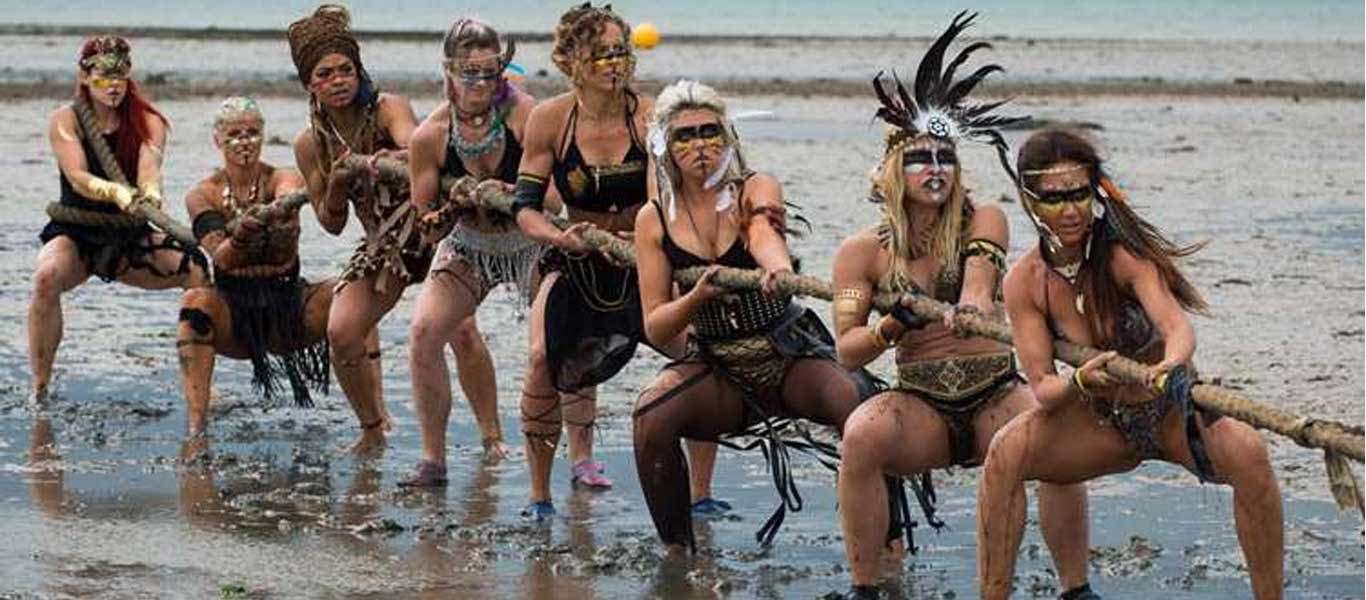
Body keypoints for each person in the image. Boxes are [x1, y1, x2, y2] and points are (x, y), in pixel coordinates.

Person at [829, 14, 1092, 599]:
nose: (936, 170)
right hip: (919, 404)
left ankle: (1076, 588)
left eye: (946, 158)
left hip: (996, 394)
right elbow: (847, 349)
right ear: (895, 170)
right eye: (921, 158)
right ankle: (864, 587)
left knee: (1062, 445)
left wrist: (970, 304)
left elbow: (980, 274)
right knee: (859, 437)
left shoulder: (986, 218)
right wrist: (892, 327)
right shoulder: (861, 254)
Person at [976, 128, 1284, 599]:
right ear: (1030, 200)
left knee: (1250, 456)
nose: (1071, 209)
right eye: (1055, 198)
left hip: (1168, 415)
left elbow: (1177, 328)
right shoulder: (1025, 281)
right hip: (1099, 422)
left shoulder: (1124, 256)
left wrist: (1171, 365)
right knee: (1004, 453)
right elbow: (1043, 387)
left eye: (1080, 193)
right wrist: (1080, 379)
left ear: (1095, 191)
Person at [631, 79, 878, 553]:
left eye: (710, 131)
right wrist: (696, 297)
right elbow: (657, 324)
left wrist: (778, 269)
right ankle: (679, 550)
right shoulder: (654, 218)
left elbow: (763, 230)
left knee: (859, 404)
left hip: (787, 353)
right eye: (685, 135)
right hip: (718, 365)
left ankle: (883, 544)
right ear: (665, 145)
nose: (700, 144)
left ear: (727, 137)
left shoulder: (753, 187)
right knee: (650, 417)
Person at [509, 3, 719, 521]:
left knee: (702, 351)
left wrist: (641, 236)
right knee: (541, 359)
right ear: (571, 61)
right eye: (600, 53)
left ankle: (701, 492)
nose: (614, 63)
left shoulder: (649, 117)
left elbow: (659, 195)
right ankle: (539, 496)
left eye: (620, 51)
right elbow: (524, 210)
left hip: (642, 264)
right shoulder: (550, 119)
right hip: (575, 262)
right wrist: (563, 236)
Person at [400, 17, 546, 486]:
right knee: (424, 331)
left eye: (490, 72)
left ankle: (569, 459)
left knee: (555, 344)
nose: (481, 83)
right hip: (470, 244)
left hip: (529, 242)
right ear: (449, 72)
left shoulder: (526, 116)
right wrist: (445, 211)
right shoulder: (430, 136)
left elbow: (557, 195)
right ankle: (433, 459)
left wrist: (519, 191)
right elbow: (424, 225)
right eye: (470, 73)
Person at [30, 35, 200, 401]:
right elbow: (77, 175)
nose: (113, 85)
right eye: (104, 76)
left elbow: (149, 166)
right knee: (45, 277)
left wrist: (149, 193)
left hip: (129, 235)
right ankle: (40, 385)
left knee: (197, 270)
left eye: (120, 76)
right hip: (78, 234)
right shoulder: (66, 119)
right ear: (84, 76)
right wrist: (116, 192)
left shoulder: (149, 120)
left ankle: (201, 387)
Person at [288, 4, 421, 454]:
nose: (338, 80)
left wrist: (377, 162)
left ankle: (491, 435)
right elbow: (331, 223)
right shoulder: (311, 145)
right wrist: (338, 186)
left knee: (458, 330)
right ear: (310, 84)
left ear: (359, 70)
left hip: (431, 228)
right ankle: (372, 426)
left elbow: (420, 156)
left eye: (346, 70)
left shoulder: (388, 110)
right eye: (325, 75)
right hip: (383, 245)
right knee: (341, 331)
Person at [177, 97, 333, 435]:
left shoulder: (282, 179)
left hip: (288, 306)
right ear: (217, 140)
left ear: (263, 136)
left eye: (252, 132)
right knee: (195, 305)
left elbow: (287, 199)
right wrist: (242, 236)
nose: (244, 141)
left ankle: (375, 422)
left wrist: (273, 212)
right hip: (234, 316)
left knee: (350, 297)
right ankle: (196, 427)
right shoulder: (203, 195)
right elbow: (220, 255)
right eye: (234, 133)